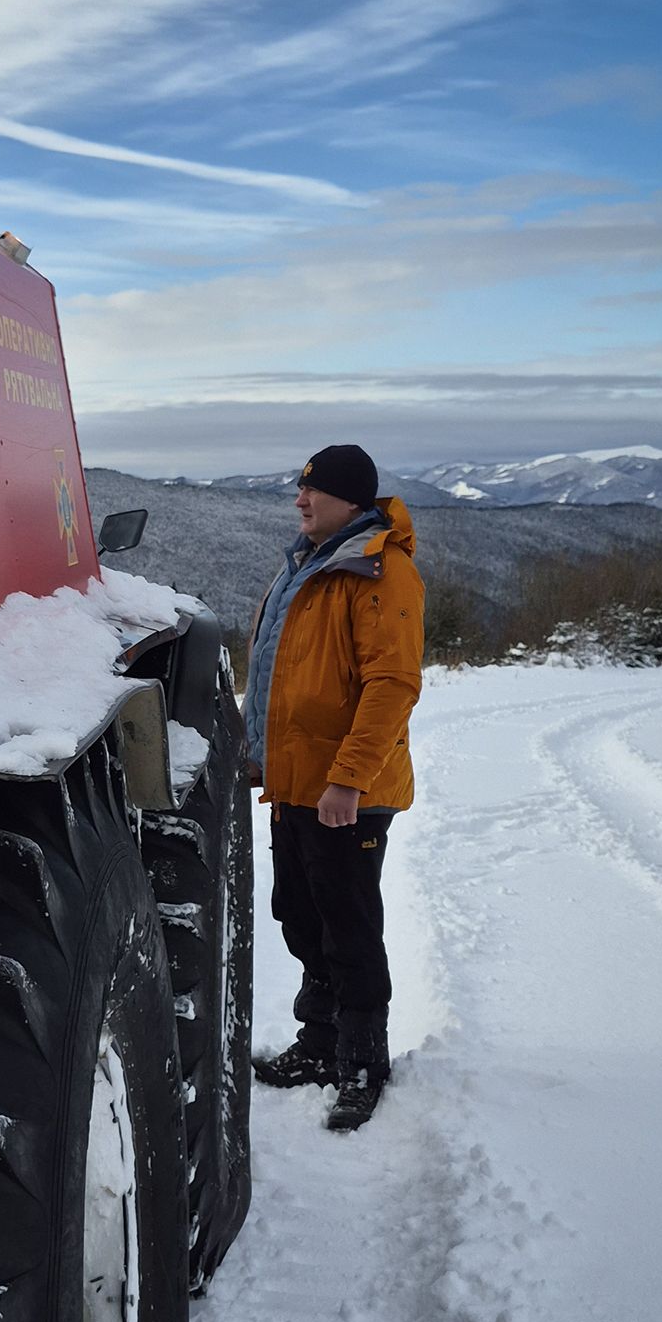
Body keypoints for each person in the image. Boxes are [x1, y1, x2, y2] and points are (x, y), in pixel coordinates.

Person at [246, 444, 424, 1130]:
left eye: (311, 490)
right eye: (299, 489)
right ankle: (318, 1045)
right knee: (300, 914)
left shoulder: (380, 569)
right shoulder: (310, 565)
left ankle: (360, 1062)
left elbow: (391, 686)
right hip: (298, 785)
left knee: (347, 926)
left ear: (349, 499)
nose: (299, 500)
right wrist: (261, 761)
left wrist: (348, 781)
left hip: (346, 794)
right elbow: (282, 675)